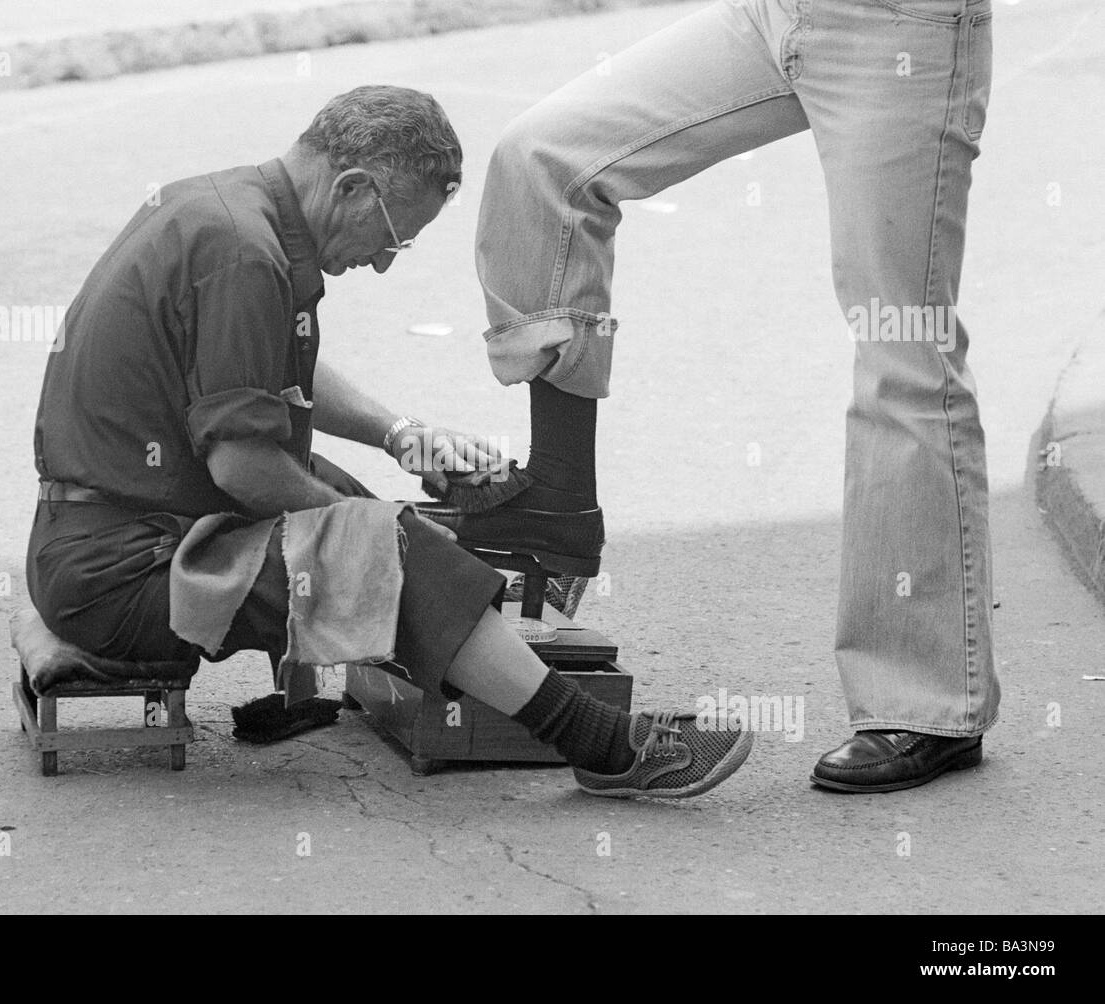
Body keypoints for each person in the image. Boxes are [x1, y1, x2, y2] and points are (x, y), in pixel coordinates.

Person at [24, 85, 753, 799]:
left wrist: (400, 435)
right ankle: (603, 746)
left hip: (106, 536)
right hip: (120, 577)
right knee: (383, 545)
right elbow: (242, 466)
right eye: (395, 236)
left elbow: (273, 371)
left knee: (352, 506)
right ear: (351, 187)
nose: (384, 262)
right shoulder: (244, 253)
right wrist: (370, 535)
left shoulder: (229, 210)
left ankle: (435, 646)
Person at [418, 0, 997, 792]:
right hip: (774, 13)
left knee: (902, 348)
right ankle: (558, 494)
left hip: (901, 30)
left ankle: (927, 703)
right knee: (543, 158)